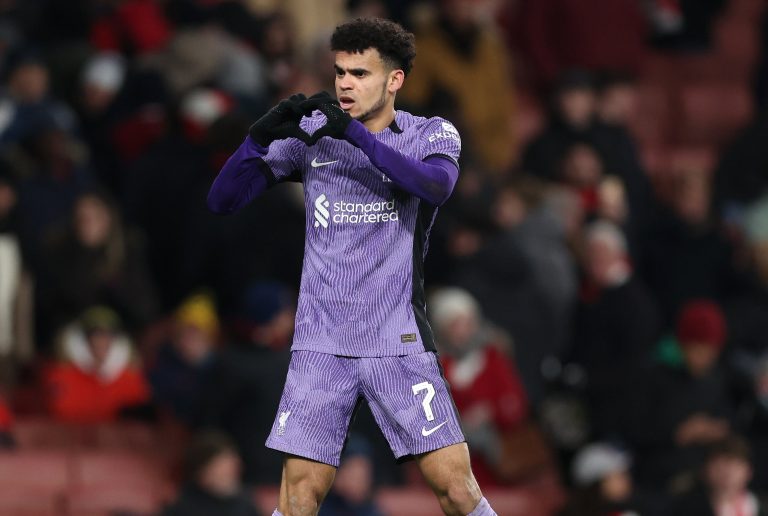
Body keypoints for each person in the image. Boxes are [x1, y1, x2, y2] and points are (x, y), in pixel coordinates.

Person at [207, 17, 496, 516]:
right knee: (299, 497)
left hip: (397, 341)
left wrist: (358, 137)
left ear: (394, 80)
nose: (344, 83)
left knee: (456, 490)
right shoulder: (316, 140)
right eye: (340, 71)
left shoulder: (431, 133)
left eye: (360, 73)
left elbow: (434, 187)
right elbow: (223, 200)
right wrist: (256, 139)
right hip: (322, 343)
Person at [161, 431, 261, 516]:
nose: (233, 472)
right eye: (224, 469)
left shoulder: (245, 505)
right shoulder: (183, 509)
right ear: (203, 472)